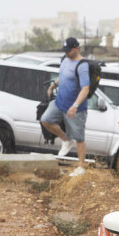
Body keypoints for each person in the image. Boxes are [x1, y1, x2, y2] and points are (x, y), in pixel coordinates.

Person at [40, 37, 90, 177]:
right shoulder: (64, 59)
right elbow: (62, 76)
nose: (67, 53)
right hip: (59, 103)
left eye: (69, 51)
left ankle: (81, 167)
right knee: (45, 120)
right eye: (65, 50)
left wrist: (75, 106)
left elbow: (85, 89)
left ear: (77, 48)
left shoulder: (82, 65)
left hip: (75, 109)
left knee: (79, 137)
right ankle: (66, 140)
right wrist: (53, 85)